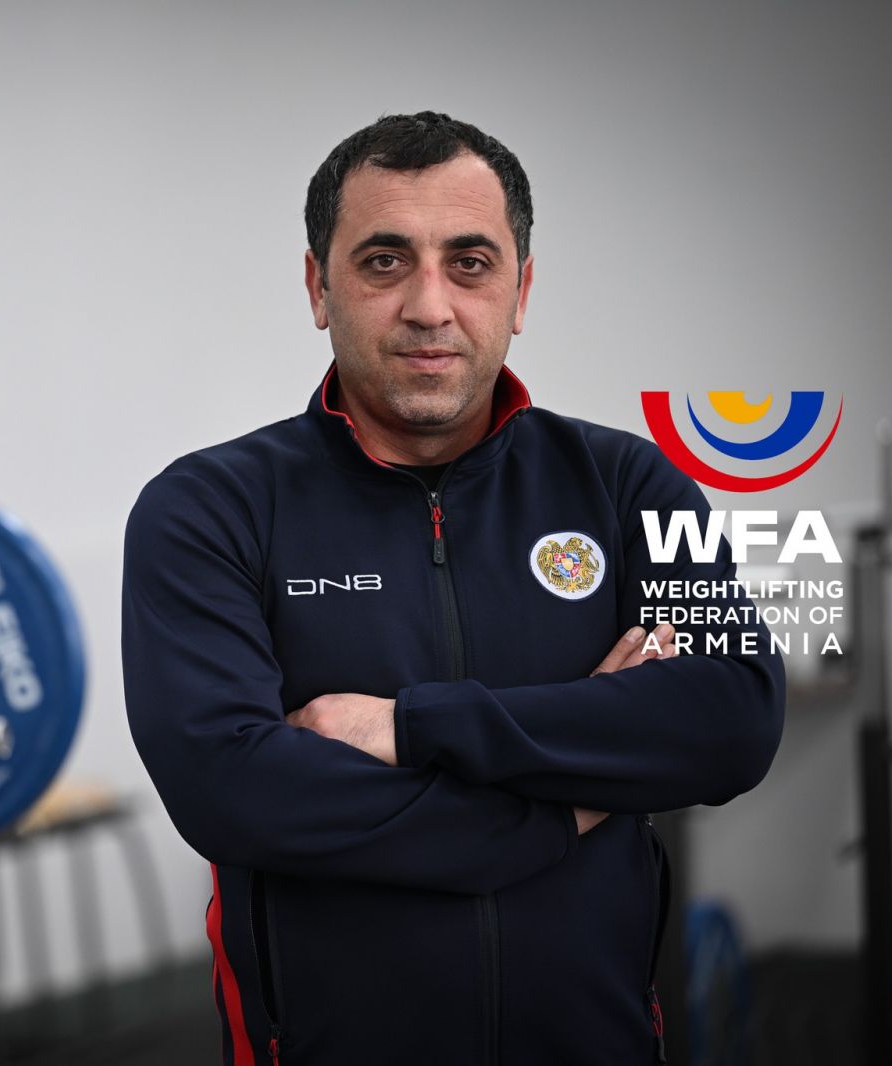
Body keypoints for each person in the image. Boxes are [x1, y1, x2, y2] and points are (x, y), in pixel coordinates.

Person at [121, 112, 785, 1065]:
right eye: (384, 261)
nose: (430, 305)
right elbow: (234, 791)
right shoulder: (210, 510)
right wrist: (563, 804)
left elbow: (734, 716)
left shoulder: (627, 487)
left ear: (521, 291)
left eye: (470, 263)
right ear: (318, 287)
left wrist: (410, 728)